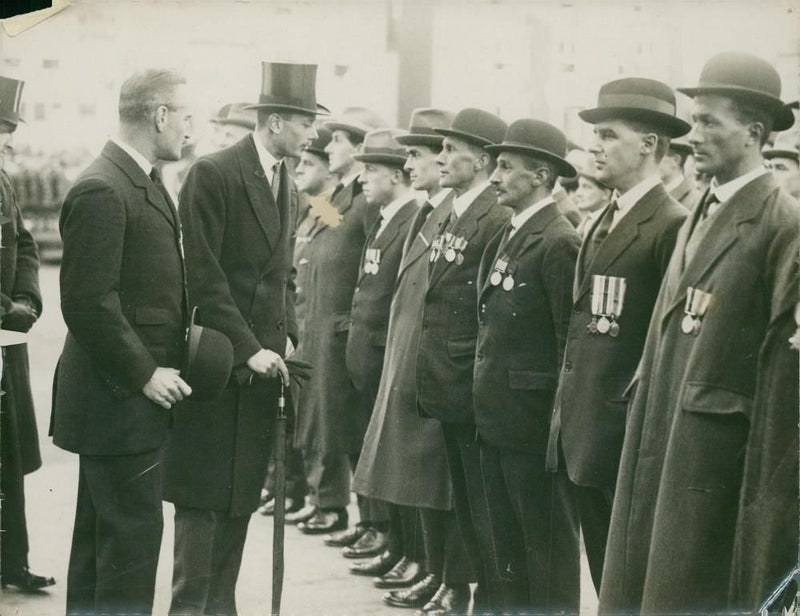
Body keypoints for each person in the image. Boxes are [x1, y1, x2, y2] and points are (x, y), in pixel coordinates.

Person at [600, 52, 799, 615]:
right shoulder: (702, 211)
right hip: (661, 441)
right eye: (695, 119)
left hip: (713, 467)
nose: (694, 135)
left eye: (712, 122)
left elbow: (783, 386)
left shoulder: (780, 225)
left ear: (754, 133)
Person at [161, 61, 324, 616]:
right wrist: (250, 347)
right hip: (218, 368)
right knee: (204, 503)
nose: (313, 134)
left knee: (239, 500)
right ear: (275, 121)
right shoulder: (214, 173)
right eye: (305, 122)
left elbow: (284, 276)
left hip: (260, 372)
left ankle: (219, 609)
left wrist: (290, 336)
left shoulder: (287, 183)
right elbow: (203, 275)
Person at [51, 69, 192, 616]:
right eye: (184, 115)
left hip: (121, 406)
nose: (188, 128)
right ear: (159, 115)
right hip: (120, 402)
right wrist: (145, 373)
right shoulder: (104, 187)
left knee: (105, 547)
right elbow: (88, 302)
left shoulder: (140, 180)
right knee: (127, 550)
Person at [545, 77, 689, 596]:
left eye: (608, 135)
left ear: (649, 144)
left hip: (622, 434)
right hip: (585, 429)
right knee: (605, 574)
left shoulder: (670, 224)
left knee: (626, 578)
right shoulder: (604, 216)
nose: (593, 146)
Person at [353, 108, 474, 614]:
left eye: (418, 155)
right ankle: (427, 569)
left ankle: (445, 577)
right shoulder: (425, 212)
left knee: (437, 479)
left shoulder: (441, 211)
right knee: (417, 475)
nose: (412, 165)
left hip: (436, 367)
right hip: (403, 359)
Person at [476, 119, 582, 614]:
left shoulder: (558, 240)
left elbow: (568, 346)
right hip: (500, 420)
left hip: (532, 425)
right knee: (510, 553)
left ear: (540, 175)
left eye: (504, 167)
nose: (494, 176)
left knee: (546, 553)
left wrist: (555, 431)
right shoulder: (516, 230)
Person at [416, 108, 511, 613]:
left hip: (470, 383)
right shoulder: (456, 209)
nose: (443, 157)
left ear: (482, 159)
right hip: (446, 381)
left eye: (453, 150)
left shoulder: (493, 213)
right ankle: (466, 590)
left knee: (482, 502)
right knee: (464, 497)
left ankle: (483, 597)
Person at [292, 107, 386, 536]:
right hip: (318, 321)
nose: (329, 148)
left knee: (342, 421)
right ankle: (325, 500)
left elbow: (373, 260)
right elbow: (317, 246)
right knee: (318, 416)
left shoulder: (365, 201)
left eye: (337, 142)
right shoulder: (339, 198)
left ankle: (350, 511)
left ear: (360, 148)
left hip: (342, 327)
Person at [339, 128, 421, 581]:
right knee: (365, 446)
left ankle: (389, 535)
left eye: (370, 170)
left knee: (388, 454)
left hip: (380, 352)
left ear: (396, 173)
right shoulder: (382, 215)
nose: (362, 178)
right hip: (361, 351)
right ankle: (378, 530)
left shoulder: (409, 217)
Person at [259, 126, 336, 518]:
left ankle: (313, 496)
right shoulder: (307, 206)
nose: (301, 169)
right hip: (301, 320)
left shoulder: (328, 208)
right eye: (299, 162)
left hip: (320, 323)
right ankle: (287, 489)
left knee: (315, 420)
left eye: (310, 162)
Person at [0, 75, 53, 594]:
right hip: (1, 326)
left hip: (5, 338)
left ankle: (11, 560)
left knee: (7, 454)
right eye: (1, 128)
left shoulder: (3, 178)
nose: (9, 139)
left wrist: (29, 301)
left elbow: (24, 243)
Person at [659, 138, 701, 208]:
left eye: (658, 156)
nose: (651, 162)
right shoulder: (649, 194)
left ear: (675, 160)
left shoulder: (696, 201)